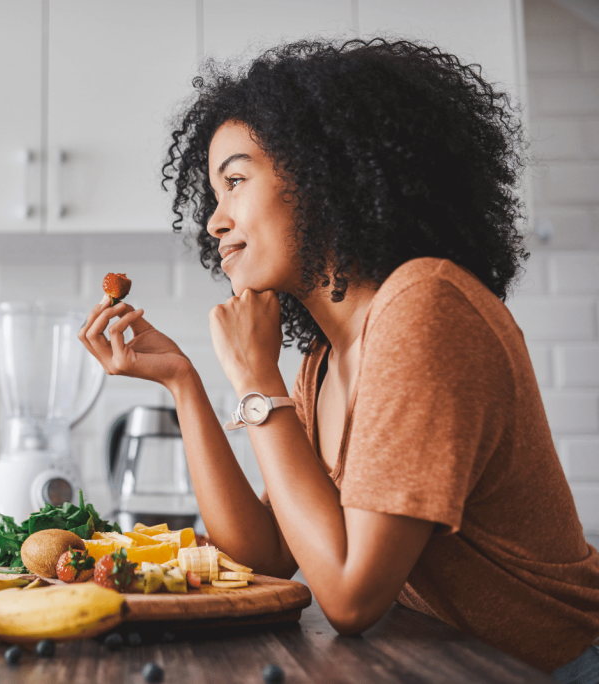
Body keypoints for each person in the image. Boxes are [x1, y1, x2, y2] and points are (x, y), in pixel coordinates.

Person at [78, 39, 599, 680]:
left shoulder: (425, 308)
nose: (214, 222)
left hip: (553, 667)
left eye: (235, 181)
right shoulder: (322, 362)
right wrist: (183, 383)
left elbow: (350, 596)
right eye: (213, 193)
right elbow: (267, 556)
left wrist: (255, 379)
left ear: (324, 174)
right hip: (444, 659)